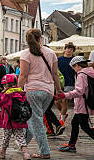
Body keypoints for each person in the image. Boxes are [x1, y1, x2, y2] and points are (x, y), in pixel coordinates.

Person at [18, 28, 62, 160]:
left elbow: (23, 75)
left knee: (36, 121)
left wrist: (17, 91)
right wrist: (58, 90)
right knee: (34, 118)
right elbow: (55, 74)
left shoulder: (26, 54)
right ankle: (22, 144)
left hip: (32, 90)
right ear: (41, 38)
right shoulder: (51, 53)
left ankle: (45, 151)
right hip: (48, 91)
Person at [56, 56, 94, 156]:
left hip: (82, 105)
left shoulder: (81, 75)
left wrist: (65, 95)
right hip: (85, 104)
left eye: (73, 67)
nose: (73, 69)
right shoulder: (89, 73)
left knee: (85, 127)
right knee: (74, 123)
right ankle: (71, 145)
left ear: (77, 65)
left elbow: (79, 91)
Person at [0, 74, 31, 159]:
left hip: (8, 120)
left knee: (6, 137)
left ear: (6, 85)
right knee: (20, 137)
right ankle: (26, 154)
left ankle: (2, 152)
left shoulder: (7, 93)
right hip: (19, 120)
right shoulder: (21, 92)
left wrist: (1, 94)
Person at [56, 42, 76, 125]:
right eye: (68, 48)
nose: (69, 50)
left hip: (70, 83)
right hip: (60, 83)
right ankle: (64, 114)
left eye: (71, 49)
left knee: (64, 100)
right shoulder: (59, 59)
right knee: (57, 102)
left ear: (73, 51)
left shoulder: (74, 60)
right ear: (65, 49)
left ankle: (62, 120)